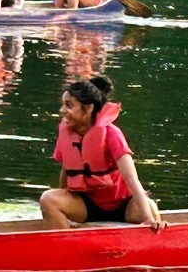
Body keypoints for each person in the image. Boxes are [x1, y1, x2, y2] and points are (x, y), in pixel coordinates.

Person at [39, 75, 164, 230]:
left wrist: (148, 218)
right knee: (48, 199)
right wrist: (65, 209)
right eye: (63, 105)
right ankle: (67, 241)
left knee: (149, 206)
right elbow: (67, 170)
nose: (62, 111)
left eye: (69, 105)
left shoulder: (112, 134)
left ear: (88, 108)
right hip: (87, 206)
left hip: (124, 207)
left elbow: (131, 179)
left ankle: (155, 231)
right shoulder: (69, 133)